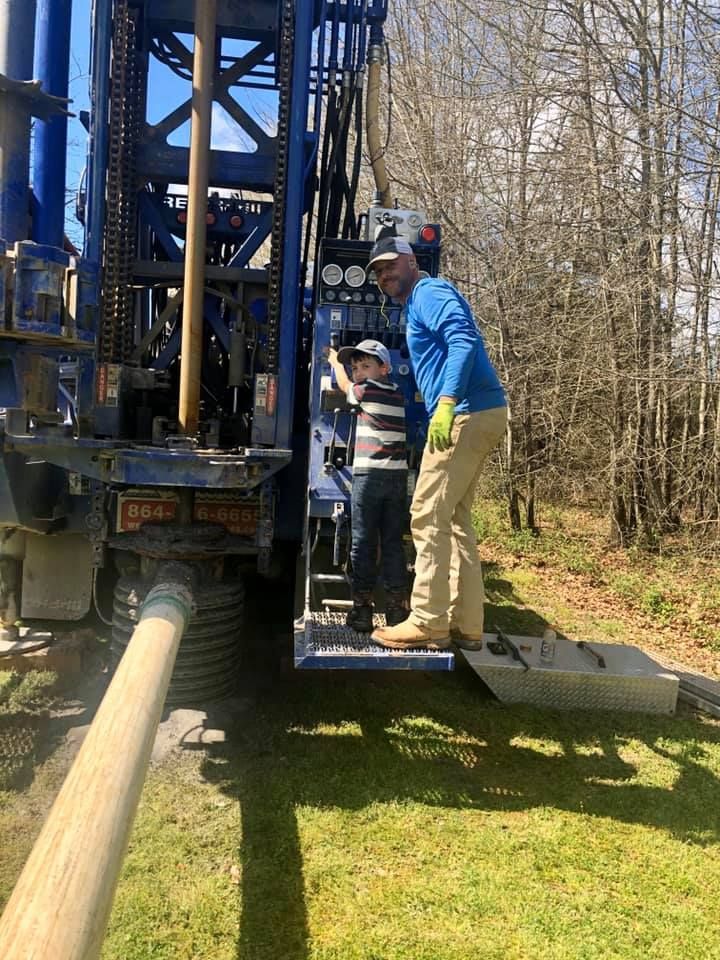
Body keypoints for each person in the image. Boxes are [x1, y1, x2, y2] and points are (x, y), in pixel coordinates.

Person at [366, 236, 508, 651]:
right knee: (456, 520)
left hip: (464, 413)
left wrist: (446, 404)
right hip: (481, 411)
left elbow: (464, 340)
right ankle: (468, 623)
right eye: (377, 270)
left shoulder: (429, 291)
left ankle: (428, 621)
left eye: (390, 264)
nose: (384, 274)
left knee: (427, 515)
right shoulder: (416, 305)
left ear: (411, 260)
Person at [327, 338, 410, 633]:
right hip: (397, 479)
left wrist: (336, 362)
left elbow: (341, 385)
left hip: (369, 478)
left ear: (384, 367)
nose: (359, 372)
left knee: (362, 543)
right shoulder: (397, 393)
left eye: (366, 366)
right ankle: (397, 613)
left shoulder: (367, 390)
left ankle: (362, 612)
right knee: (392, 545)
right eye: (355, 367)